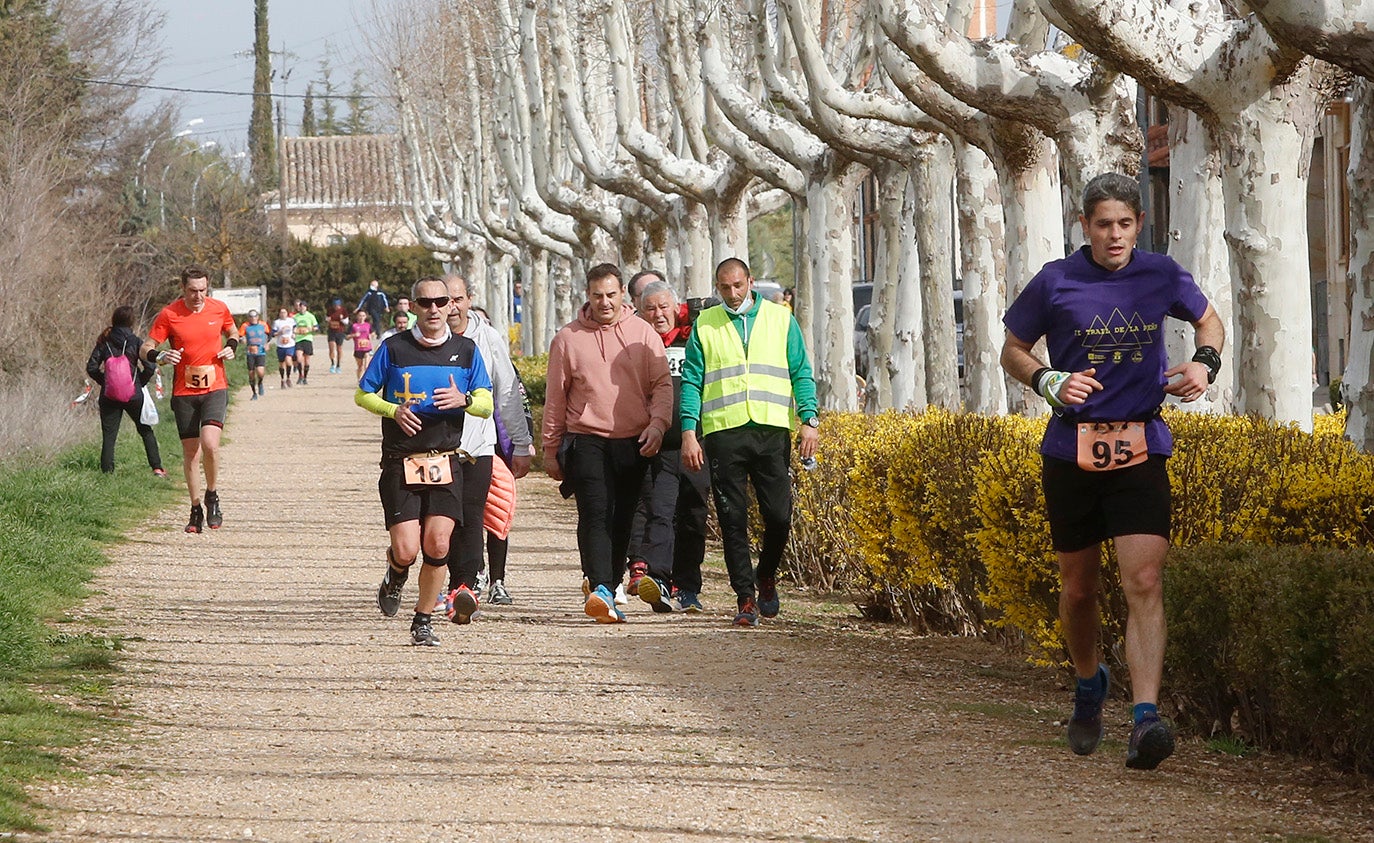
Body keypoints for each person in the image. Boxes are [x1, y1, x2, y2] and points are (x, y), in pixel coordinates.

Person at [999, 172, 1224, 771]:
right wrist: (1048, 380)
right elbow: (1012, 349)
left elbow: (1210, 321)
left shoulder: (1162, 274)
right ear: (1085, 227)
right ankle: (1088, 679)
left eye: (1125, 224)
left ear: (1139, 225)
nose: (1115, 235)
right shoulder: (1056, 279)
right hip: (1071, 449)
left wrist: (1205, 364)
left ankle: (1146, 717)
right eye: (1103, 225)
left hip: (1141, 445)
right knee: (1079, 589)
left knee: (1144, 582)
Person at [680, 258, 819, 627]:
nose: (733, 294)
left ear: (750, 282)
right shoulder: (704, 325)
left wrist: (809, 420)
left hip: (771, 430)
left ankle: (766, 574)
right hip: (724, 433)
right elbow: (692, 381)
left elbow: (800, 372)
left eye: (738, 285)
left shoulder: (780, 319)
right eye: (724, 288)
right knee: (732, 519)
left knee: (779, 515)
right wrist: (689, 432)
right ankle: (744, 597)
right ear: (717, 287)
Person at [356, 276, 493, 646]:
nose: (434, 309)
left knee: (438, 545)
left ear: (451, 305)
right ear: (412, 307)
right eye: (425, 302)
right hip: (401, 460)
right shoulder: (394, 348)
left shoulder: (466, 350)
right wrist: (392, 410)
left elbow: (486, 403)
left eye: (441, 301)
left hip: (446, 460)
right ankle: (396, 572)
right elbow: (363, 395)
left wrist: (464, 400)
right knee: (407, 549)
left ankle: (423, 618)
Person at [543, 263, 672, 623]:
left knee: (624, 519)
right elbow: (556, 398)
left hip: (634, 440)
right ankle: (599, 584)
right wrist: (550, 450)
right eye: (597, 295)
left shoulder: (642, 334)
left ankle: (609, 587)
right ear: (588, 295)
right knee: (596, 513)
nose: (604, 302)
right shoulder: (567, 339)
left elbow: (661, 385)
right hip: (586, 439)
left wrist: (659, 425)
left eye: (611, 295)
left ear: (621, 296)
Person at [440, 275, 533, 617]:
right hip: (437, 448)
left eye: (456, 299)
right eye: (442, 300)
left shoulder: (488, 338)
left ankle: (466, 585)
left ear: (468, 299)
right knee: (441, 519)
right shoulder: (428, 342)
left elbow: (507, 391)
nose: (450, 307)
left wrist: (522, 443)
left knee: (473, 515)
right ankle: (447, 579)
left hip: (479, 445)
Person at [140, 265, 240, 533]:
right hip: (184, 392)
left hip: (215, 387)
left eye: (203, 290)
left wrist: (231, 347)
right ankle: (195, 509)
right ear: (183, 289)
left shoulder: (218, 309)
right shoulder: (169, 314)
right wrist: (159, 356)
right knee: (191, 453)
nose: (198, 296)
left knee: (210, 445)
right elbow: (145, 347)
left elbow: (233, 332)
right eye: (193, 291)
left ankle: (212, 495)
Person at [631, 279, 710, 613]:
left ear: (675, 309)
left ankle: (688, 587)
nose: (658, 314)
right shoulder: (637, 343)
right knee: (660, 512)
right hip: (659, 444)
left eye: (664, 307)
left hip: (697, 442)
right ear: (640, 311)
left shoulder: (694, 337)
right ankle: (659, 580)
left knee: (694, 514)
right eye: (650, 308)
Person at [86, 305, 164, 477]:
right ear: (131, 322)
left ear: (114, 320)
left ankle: (107, 473)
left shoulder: (104, 341)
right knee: (145, 430)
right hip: (133, 395)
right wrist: (138, 383)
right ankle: (157, 468)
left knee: (109, 435)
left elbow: (91, 367)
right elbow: (150, 367)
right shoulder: (136, 341)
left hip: (109, 396)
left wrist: (105, 382)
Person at [238, 309, 269, 400]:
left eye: (255, 316)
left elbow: (269, 334)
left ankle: (260, 382)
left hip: (260, 351)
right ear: (248, 318)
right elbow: (240, 336)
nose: (253, 318)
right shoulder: (245, 325)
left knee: (260, 371)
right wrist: (242, 340)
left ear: (258, 317)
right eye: (251, 316)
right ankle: (254, 393)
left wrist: (267, 344)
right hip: (250, 351)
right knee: (251, 373)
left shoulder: (263, 325)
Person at [292, 300, 318, 385]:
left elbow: (316, 326)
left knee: (307, 360)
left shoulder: (310, 316)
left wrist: (311, 329)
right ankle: (300, 375)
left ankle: (305, 378)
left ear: (306, 308)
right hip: (299, 339)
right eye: (301, 307)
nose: (302, 308)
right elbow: (292, 327)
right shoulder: (295, 317)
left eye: (303, 307)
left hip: (307, 339)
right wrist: (294, 332)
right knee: (299, 358)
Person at [271, 307, 297, 388]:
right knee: (281, 364)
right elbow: (273, 334)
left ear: (287, 313)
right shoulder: (277, 322)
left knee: (288, 361)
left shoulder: (291, 320)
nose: (283, 314)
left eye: (284, 312)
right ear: (279, 314)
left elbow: (295, 327)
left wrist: (294, 333)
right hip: (280, 345)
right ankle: (282, 379)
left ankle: (288, 378)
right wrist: (279, 333)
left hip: (290, 344)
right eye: (281, 312)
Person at [325, 297, 350, 374]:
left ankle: (338, 365)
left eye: (337, 305)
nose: (336, 307)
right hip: (331, 331)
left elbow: (347, 321)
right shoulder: (330, 310)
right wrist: (328, 319)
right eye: (335, 305)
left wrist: (341, 319)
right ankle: (332, 363)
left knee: (339, 349)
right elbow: (326, 318)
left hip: (340, 331)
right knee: (331, 347)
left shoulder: (343, 311)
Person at [350, 311, 374, 379]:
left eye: (363, 316)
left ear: (365, 317)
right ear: (357, 316)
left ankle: (366, 381)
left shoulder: (368, 325)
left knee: (366, 367)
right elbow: (347, 337)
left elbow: (373, 333)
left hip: (367, 348)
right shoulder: (354, 326)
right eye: (360, 315)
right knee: (360, 367)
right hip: (358, 348)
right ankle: (359, 380)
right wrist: (354, 335)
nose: (361, 317)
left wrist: (371, 335)